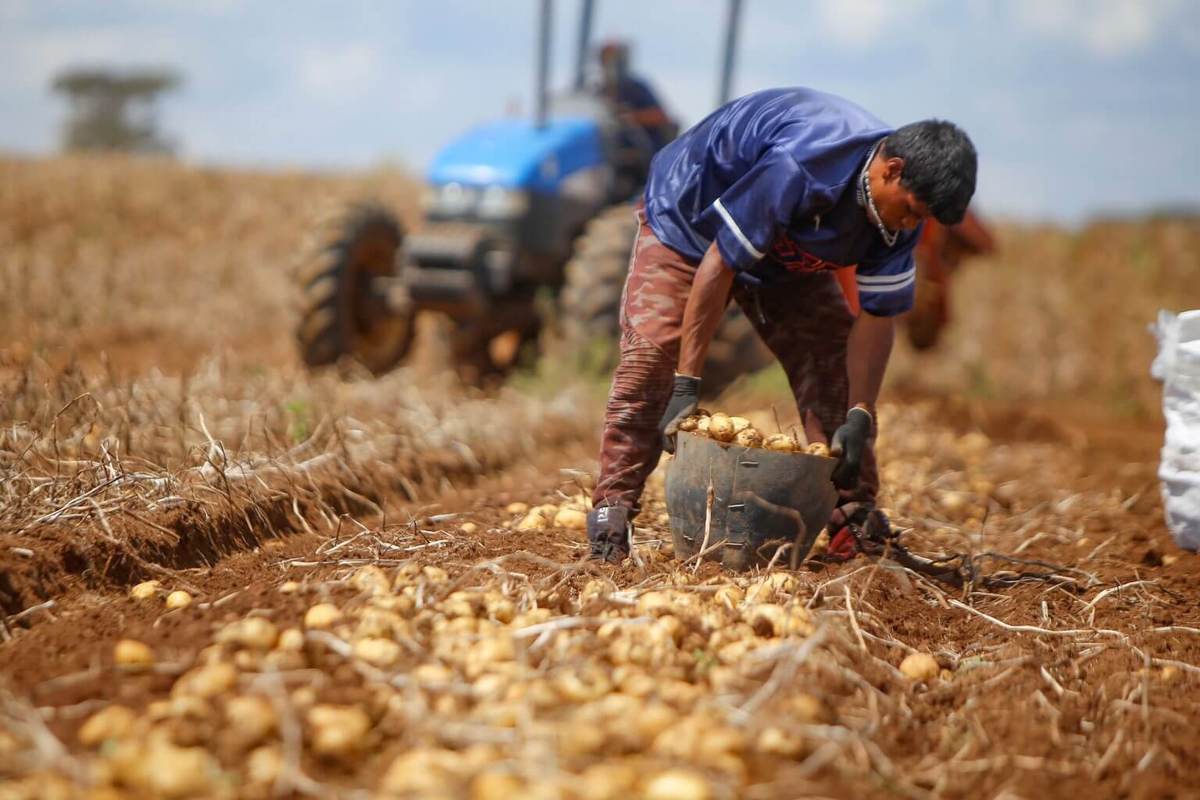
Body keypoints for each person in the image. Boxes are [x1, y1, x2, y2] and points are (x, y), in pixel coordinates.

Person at [585, 86, 978, 563]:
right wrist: (687, 383)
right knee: (653, 359)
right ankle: (613, 511)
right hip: (691, 228)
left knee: (833, 365)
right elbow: (718, 264)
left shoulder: (897, 219)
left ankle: (853, 519)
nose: (910, 225)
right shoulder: (803, 165)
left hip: (786, 258)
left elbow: (876, 318)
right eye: (912, 209)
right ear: (891, 170)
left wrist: (860, 411)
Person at [597, 40, 674, 152]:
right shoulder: (599, 91)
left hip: (641, 154)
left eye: (616, 60)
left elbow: (660, 117)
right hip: (608, 152)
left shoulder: (636, 88)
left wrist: (631, 117)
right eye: (607, 60)